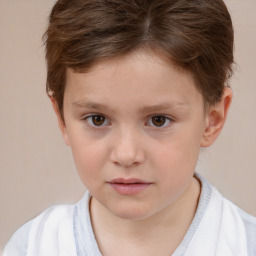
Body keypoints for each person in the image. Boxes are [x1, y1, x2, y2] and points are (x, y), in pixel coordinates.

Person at [3, 0, 256, 255]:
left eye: (159, 120)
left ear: (212, 119)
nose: (126, 155)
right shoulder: (33, 247)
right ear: (61, 117)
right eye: (97, 119)